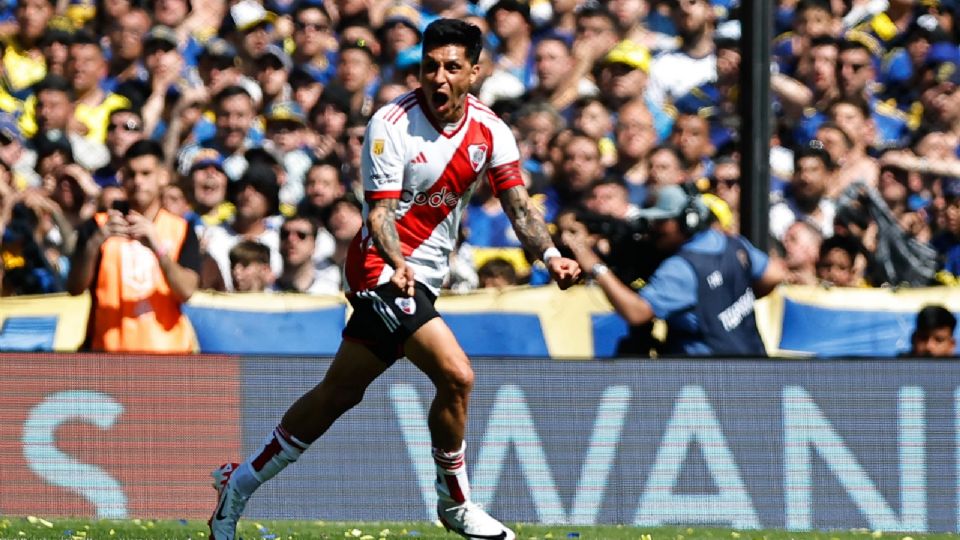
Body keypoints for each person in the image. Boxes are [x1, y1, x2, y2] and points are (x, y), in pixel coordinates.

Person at [208, 19, 580, 540]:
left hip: (422, 279)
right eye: (430, 66)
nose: (439, 77)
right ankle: (455, 503)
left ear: (475, 72)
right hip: (380, 272)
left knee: (339, 393)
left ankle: (239, 483)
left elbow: (519, 208)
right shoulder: (392, 122)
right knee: (457, 375)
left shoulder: (491, 130)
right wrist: (397, 261)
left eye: (452, 67)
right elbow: (379, 213)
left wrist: (550, 255)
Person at [564, 184, 785, 356]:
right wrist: (724, 299)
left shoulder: (680, 268)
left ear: (687, 220)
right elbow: (773, 275)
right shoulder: (731, 243)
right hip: (755, 368)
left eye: (662, 221)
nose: (654, 228)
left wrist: (595, 266)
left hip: (704, 381)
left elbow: (636, 313)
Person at [66, 139, 201, 352]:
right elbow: (74, 288)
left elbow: (187, 290)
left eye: (146, 173)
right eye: (131, 174)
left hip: (169, 357)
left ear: (163, 176)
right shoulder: (99, 225)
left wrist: (158, 248)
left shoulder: (181, 229)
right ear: (122, 178)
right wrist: (94, 245)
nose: (138, 181)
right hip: (109, 354)